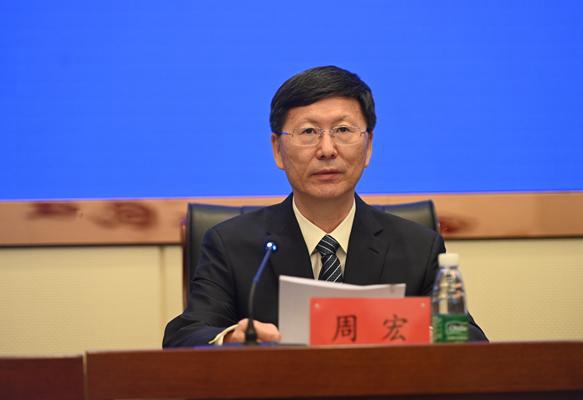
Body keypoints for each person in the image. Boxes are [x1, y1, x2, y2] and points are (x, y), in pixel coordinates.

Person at [163, 66, 487, 346]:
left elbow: (470, 341)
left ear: (368, 146)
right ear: (277, 149)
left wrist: (423, 333)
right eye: (308, 132)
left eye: (343, 130)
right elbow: (185, 336)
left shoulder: (418, 247)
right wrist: (232, 339)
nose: (327, 149)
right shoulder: (231, 245)